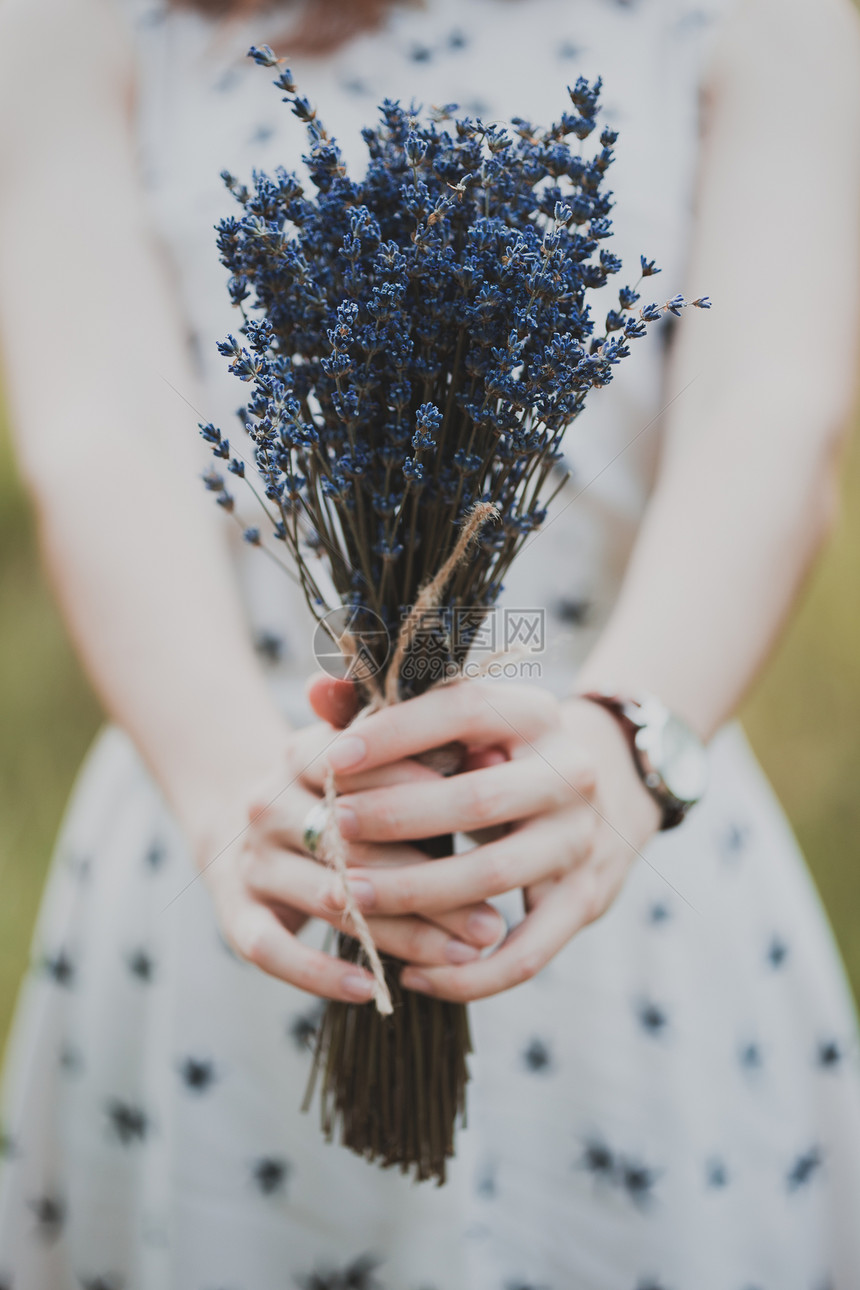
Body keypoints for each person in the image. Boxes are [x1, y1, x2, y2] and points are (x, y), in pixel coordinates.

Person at [1, 0, 860, 1286]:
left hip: (597, 814)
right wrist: (248, 799)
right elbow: (96, 433)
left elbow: (773, 414)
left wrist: (626, 749)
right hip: (241, 809)